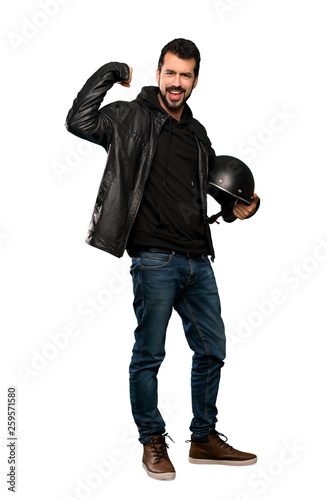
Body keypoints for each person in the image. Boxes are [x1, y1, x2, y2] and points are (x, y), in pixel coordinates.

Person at [66, 38, 260, 481]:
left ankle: (204, 438)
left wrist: (236, 209)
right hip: (153, 259)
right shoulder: (129, 118)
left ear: (195, 80)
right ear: (159, 74)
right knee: (149, 354)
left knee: (213, 350)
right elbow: (78, 121)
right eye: (170, 73)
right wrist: (111, 71)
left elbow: (208, 188)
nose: (177, 83)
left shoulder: (196, 132)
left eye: (186, 75)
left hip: (198, 260)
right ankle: (152, 440)